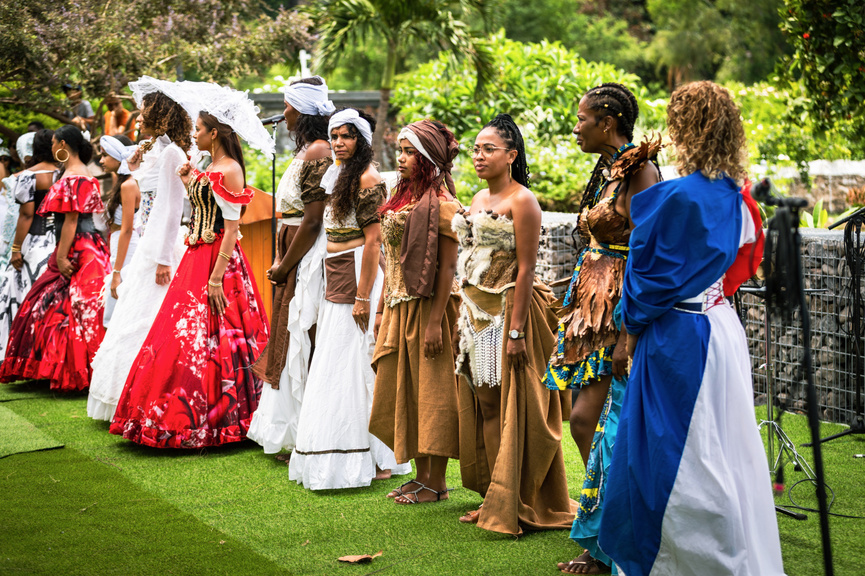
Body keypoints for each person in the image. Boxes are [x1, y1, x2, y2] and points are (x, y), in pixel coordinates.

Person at [597, 81, 783, 575]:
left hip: (679, 335)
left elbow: (649, 278)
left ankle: (691, 563)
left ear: (684, 128)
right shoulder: (740, 197)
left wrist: (628, 335)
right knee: (726, 444)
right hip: (721, 328)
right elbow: (744, 265)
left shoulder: (671, 197)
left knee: (673, 454)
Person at [109, 84, 272, 448]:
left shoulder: (229, 169)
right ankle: (174, 415)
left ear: (214, 133)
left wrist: (217, 278)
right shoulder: (208, 164)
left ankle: (224, 420)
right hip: (195, 253)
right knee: (182, 336)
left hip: (218, 261)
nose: (193, 134)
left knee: (219, 338)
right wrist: (187, 181)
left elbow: (231, 229)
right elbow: (201, 207)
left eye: (199, 129)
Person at [547, 83, 660, 575]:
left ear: (607, 121)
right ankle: (604, 525)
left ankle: (610, 540)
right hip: (589, 305)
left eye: (581, 119)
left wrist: (628, 331)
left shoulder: (642, 171)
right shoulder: (611, 169)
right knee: (583, 419)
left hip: (618, 312)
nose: (575, 127)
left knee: (596, 421)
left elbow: (648, 250)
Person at [452, 113, 575, 534]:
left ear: (511, 155)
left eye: (489, 149)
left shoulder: (522, 201)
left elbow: (526, 269)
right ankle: (493, 496)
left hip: (507, 315)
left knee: (513, 408)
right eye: (476, 148)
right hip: (471, 314)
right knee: (486, 406)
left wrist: (518, 330)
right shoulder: (475, 199)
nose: (479, 155)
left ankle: (519, 499)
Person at [288, 108, 411, 489]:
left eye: (347, 136)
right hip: (335, 266)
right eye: (335, 136)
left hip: (359, 271)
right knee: (336, 356)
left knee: (357, 357)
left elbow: (375, 240)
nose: (339, 143)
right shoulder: (336, 175)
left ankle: (379, 456)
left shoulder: (367, 177)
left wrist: (363, 297)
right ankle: (361, 451)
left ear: (361, 140)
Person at [87, 78, 191, 421]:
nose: (138, 119)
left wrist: (163, 258)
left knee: (154, 318)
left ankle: (152, 394)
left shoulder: (174, 153)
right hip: (147, 242)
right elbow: (132, 171)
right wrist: (142, 149)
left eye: (145, 114)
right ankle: (125, 396)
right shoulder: (154, 150)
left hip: (162, 244)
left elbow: (172, 209)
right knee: (134, 316)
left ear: (161, 115)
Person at [368, 120, 461, 504]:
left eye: (409, 153)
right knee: (404, 389)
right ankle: (420, 475)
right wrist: (380, 307)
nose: (401, 159)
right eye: (401, 151)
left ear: (427, 159)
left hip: (430, 309)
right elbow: (389, 260)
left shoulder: (443, 205)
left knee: (433, 393)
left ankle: (436, 482)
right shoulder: (401, 196)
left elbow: (448, 269)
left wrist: (436, 322)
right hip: (399, 305)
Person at [247, 76, 334, 458]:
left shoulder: (319, 151)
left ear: (301, 110)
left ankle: (305, 431)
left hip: (304, 250)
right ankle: (291, 429)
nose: (283, 114)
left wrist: (285, 265)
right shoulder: (307, 150)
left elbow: (313, 219)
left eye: (287, 106)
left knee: (300, 333)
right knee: (285, 332)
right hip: (289, 243)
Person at [0, 125, 110, 390]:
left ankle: (73, 371)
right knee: (61, 308)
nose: (50, 147)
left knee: (73, 310)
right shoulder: (76, 172)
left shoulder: (74, 176)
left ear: (62, 144)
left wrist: (61, 257)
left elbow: (71, 220)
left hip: (77, 246)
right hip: (85, 243)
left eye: (52, 143)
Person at [0, 130, 57, 362]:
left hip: (35, 241)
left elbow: (26, 215)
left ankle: (25, 354)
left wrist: (15, 249)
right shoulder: (64, 173)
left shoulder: (28, 176)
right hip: (61, 240)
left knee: (22, 292)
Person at [98, 135, 140, 327]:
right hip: (120, 247)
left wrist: (117, 273)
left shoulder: (128, 185)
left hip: (127, 250)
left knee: (119, 306)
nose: (101, 161)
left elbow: (127, 230)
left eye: (105, 155)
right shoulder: (124, 182)